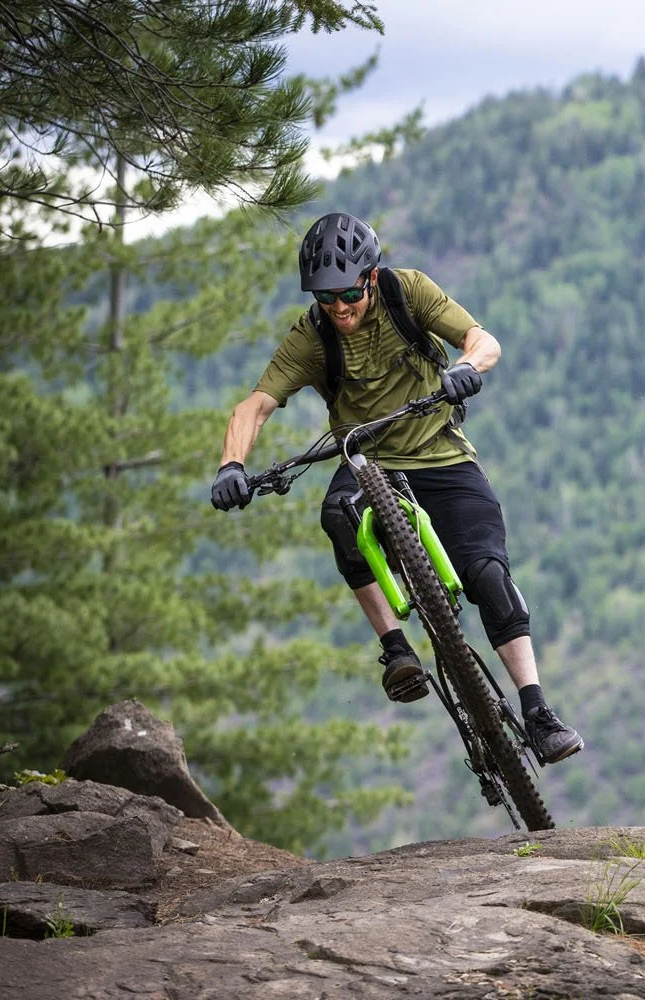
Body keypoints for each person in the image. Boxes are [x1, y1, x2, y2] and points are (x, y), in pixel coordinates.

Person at [209, 212, 583, 764]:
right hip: (367, 462)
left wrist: (467, 367)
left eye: (347, 292)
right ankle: (395, 649)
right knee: (338, 515)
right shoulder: (312, 337)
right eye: (325, 295)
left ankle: (538, 711)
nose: (338, 306)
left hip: (442, 454)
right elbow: (254, 407)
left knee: (488, 575)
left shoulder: (409, 293)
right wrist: (231, 466)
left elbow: (483, 340)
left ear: (369, 275)